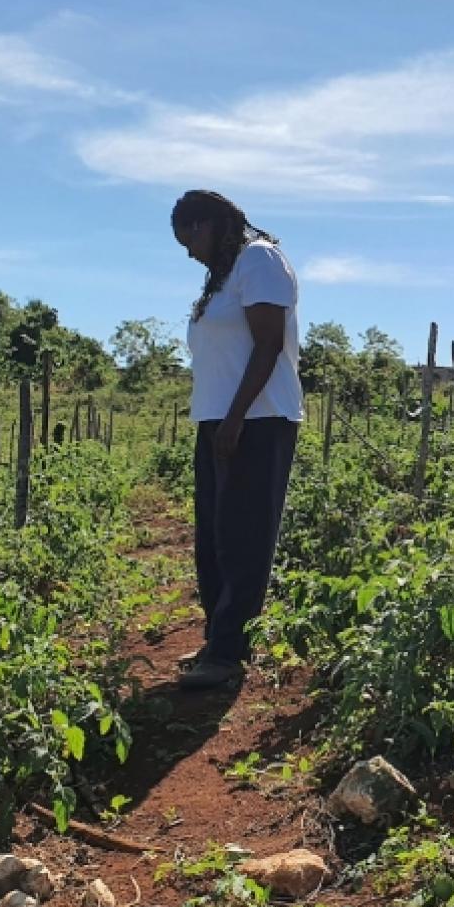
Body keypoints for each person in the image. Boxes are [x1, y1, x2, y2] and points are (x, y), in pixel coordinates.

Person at [172, 190, 303, 691]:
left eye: (189, 237)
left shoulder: (260, 260)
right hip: (217, 419)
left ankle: (228, 653)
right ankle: (218, 637)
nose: (188, 251)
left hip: (258, 420)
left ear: (209, 225)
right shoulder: (224, 275)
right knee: (215, 537)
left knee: (245, 537)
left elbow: (268, 344)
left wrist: (235, 418)